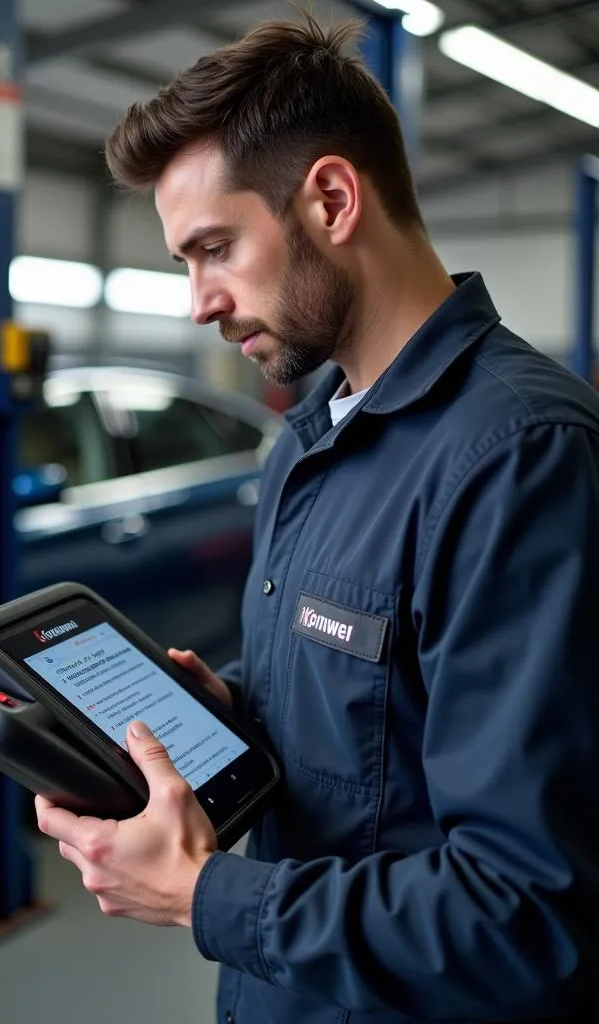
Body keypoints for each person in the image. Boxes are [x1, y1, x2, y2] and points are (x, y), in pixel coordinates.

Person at [33, 13, 599, 1024]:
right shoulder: (308, 435)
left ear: (331, 199)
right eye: (183, 263)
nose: (199, 303)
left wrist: (208, 897)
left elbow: (528, 910)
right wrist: (233, 708)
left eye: (215, 248)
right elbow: (388, 708)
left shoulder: (520, 458)